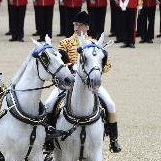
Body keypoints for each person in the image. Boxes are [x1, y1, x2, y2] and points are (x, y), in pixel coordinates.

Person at [44, 10, 121, 153]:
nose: (76, 27)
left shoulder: (94, 44)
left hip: (91, 84)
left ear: (87, 27)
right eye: (75, 24)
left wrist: (97, 69)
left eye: (80, 25)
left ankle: (113, 139)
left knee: (110, 105)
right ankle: (48, 139)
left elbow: (108, 65)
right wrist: (71, 67)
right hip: (69, 82)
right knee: (48, 105)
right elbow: (60, 63)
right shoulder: (65, 42)